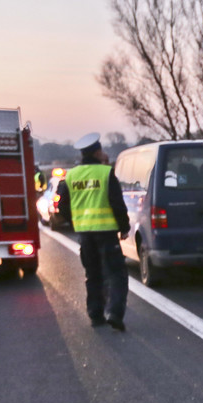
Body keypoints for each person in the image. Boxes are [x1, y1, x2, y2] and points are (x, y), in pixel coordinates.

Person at [56, 132, 132, 331]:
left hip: (85, 234)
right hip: (106, 233)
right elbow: (117, 204)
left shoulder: (71, 175)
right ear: (97, 152)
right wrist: (124, 227)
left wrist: (75, 222)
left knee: (93, 274)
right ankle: (115, 313)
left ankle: (95, 314)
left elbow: (62, 206)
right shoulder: (106, 173)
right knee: (116, 274)